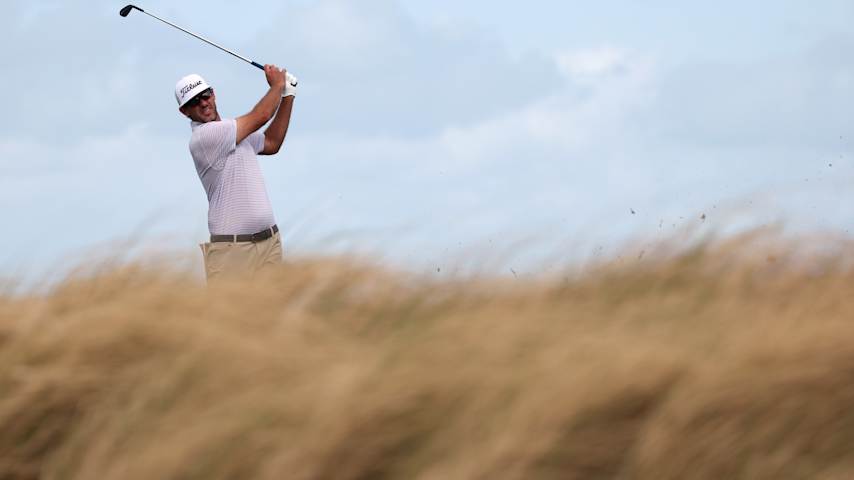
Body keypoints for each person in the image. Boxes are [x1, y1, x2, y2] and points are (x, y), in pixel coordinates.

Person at [174, 65, 296, 282]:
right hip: (233, 251)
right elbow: (262, 115)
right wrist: (277, 84)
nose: (203, 103)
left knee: (272, 313)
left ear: (213, 94)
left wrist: (288, 95)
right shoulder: (205, 138)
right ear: (185, 112)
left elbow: (271, 142)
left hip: (269, 242)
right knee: (229, 316)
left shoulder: (234, 131)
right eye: (193, 101)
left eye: (205, 95)